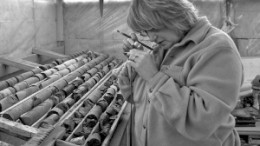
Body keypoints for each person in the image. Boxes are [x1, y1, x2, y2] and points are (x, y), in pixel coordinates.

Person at [117, 0, 244, 146]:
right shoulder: (163, 45)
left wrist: (153, 76)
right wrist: (135, 64)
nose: (151, 38)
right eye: (145, 32)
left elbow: (201, 122)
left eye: (154, 29)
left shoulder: (217, 48)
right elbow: (133, 97)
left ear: (173, 16)